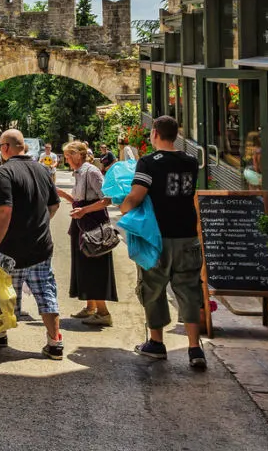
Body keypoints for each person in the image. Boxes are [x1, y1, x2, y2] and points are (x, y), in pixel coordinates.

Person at [120, 115, 206, 370]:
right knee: (189, 289)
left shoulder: (148, 163)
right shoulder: (191, 162)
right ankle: (194, 348)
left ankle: (156, 342)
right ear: (177, 134)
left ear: (155, 133)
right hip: (187, 235)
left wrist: (123, 208)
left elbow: (137, 196)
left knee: (153, 287)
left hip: (157, 235)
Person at [0, 129, 63, 359]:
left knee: (3, 293)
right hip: (41, 246)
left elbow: (4, 211)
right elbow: (54, 206)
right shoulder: (43, 170)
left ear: (5, 148)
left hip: (10, 249)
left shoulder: (4, 173)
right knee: (46, 292)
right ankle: (55, 342)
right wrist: (39, 225)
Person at [60, 141, 117, 326]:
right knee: (84, 264)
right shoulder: (79, 172)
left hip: (93, 225)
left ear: (78, 155)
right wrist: (63, 195)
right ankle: (91, 306)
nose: (66, 160)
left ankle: (103, 313)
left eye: (68, 156)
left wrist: (84, 211)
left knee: (93, 265)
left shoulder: (91, 171)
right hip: (82, 222)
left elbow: (106, 199)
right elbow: (79, 200)